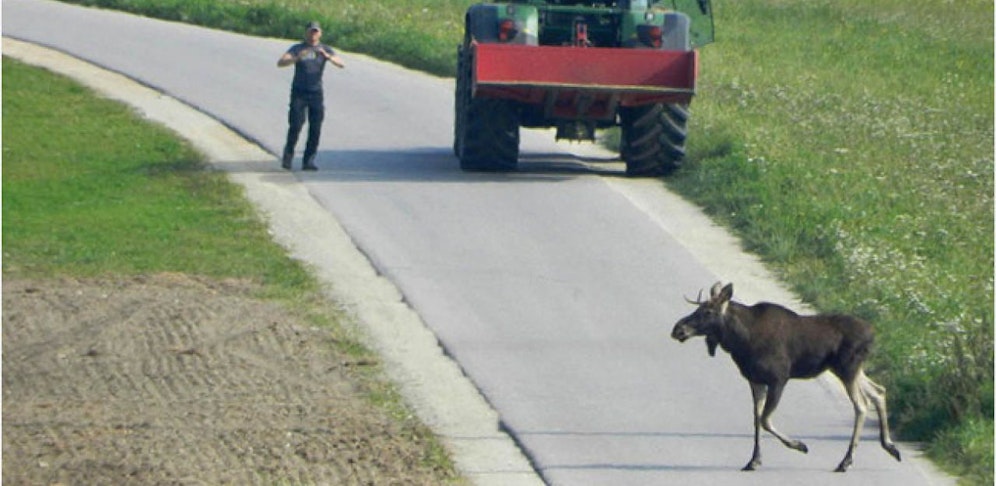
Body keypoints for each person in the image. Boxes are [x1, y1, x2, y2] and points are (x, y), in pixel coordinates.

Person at [277, 21, 344, 171]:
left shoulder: (324, 49)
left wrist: (328, 57)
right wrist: (296, 58)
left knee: (315, 127)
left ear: (320, 34)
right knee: (296, 124)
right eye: (311, 31)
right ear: (306, 32)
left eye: (316, 32)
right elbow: (281, 62)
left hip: (316, 92)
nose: (313, 34)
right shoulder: (298, 48)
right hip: (299, 92)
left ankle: (309, 161)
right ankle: (287, 158)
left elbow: (341, 63)